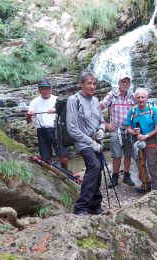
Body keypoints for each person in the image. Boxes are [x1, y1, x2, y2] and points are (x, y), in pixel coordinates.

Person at [66, 71, 106, 216]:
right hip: (82, 142)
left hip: (96, 141)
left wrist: (101, 129)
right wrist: (91, 141)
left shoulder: (95, 101)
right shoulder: (73, 100)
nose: (92, 86)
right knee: (94, 166)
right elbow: (71, 128)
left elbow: (101, 120)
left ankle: (95, 205)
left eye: (94, 83)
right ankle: (81, 207)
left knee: (98, 168)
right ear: (81, 84)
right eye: (89, 83)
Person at [100, 74, 135, 188]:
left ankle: (126, 175)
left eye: (127, 82)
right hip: (116, 129)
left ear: (129, 84)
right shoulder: (112, 95)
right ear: (118, 83)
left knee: (128, 154)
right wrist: (105, 124)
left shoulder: (132, 96)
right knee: (116, 155)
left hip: (129, 129)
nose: (125, 84)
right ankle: (115, 176)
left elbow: (139, 110)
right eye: (123, 81)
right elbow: (98, 108)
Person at [26, 79, 69, 170]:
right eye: (42, 89)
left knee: (63, 157)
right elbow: (29, 121)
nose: (45, 91)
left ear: (50, 89)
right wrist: (29, 115)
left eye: (47, 88)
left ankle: (67, 172)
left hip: (57, 130)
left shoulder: (57, 100)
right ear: (39, 90)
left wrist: (56, 110)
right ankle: (52, 175)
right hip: (42, 131)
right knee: (46, 159)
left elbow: (66, 114)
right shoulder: (34, 102)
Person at [125, 88, 157, 193]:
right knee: (139, 163)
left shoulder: (153, 110)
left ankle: (156, 187)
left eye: (143, 97)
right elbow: (128, 128)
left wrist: (146, 136)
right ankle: (145, 184)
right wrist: (134, 132)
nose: (141, 99)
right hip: (136, 141)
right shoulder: (132, 111)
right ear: (135, 98)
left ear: (146, 98)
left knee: (152, 163)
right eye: (138, 97)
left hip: (150, 140)